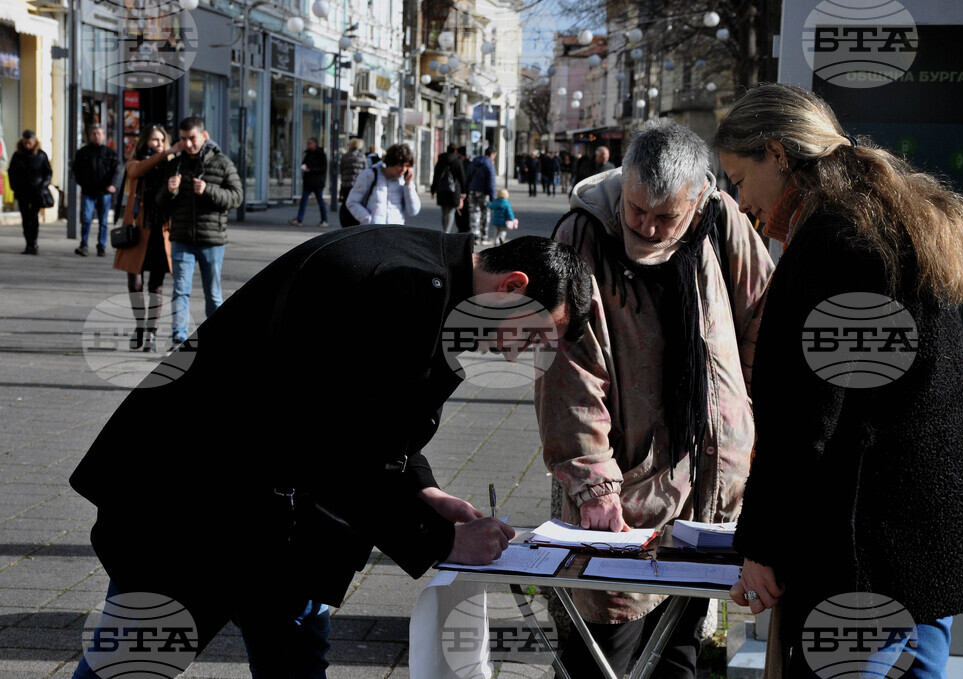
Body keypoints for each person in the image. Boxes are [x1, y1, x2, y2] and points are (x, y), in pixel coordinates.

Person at [68, 226, 593, 679]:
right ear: (512, 286)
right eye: (533, 334)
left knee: (293, 660)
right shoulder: (406, 288)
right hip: (193, 500)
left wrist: (423, 489)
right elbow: (338, 449)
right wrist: (438, 540)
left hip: (273, 512)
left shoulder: (442, 284)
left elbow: (379, 427)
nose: (525, 351)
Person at [713, 82, 963, 678]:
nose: (739, 204)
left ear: (779, 153)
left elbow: (804, 420)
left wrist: (761, 548)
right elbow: (941, 391)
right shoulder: (890, 220)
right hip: (931, 541)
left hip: (872, 553)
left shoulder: (834, 242)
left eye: (739, 180)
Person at [535, 118, 774, 678]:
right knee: (605, 653)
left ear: (699, 198)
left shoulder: (723, 223)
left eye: (664, 217)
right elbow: (567, 372)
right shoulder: (583, 236)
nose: (643, 225)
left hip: (714, 492)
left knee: (679, 656)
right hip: (625, 499)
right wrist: (592, 482)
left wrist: (760, 433)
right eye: (636, 209)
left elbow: (767, 322)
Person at [157, 116, 243, 352]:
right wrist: (169, 191)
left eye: (192, 138)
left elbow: (236, 196)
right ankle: (178, 338)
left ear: (204, 136)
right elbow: (161, 203)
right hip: (182, 238)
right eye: (183, 139)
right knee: (180, 290)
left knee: (213, 293)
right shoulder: (175, 164)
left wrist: (209, 191)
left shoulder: (222, 163)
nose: (187, 144)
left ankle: (217, 336)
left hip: (211, 239)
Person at [114, 124, 184, 352]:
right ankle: (139, 326)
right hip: (138, 230)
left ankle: (151, 333)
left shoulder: (172, 164)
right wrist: (165, 153)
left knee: (156, 286)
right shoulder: (136, 163)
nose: (159, 145)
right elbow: (136, 171)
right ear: (145, 142)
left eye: (162, 141)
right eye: (155, 140)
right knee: (135, 283)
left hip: (161, 231)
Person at [72, 124, 122, 257]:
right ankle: (84, 244)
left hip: (104, 191)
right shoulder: (83, 153)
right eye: (94, 134)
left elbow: (117, 170)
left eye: (99, 134)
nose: (96, 136)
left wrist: (113, 185)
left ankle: (102, 246)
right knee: (87, 218)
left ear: (104, 136)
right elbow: (76, 170)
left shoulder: (110, 153)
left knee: (103, 221)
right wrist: (82, 183)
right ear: (90, 136)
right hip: (88, 190)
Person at [345, 143, 420, 225]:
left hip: (396, 233)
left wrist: (408, 185)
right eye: (400, 165)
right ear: (391, 162)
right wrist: (369, 221)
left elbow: (413, 211)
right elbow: (352, 202)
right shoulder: (369, 175)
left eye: (407, 166)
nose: (403, 169)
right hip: (373, 232)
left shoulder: (403, 181)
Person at [7, 129, 52, 255]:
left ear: (34, 141)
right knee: (25, 218)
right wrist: (14, 187)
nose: (27, 145)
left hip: (37, 192)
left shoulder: (41, 155)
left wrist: (43, 186)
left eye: (30, 142)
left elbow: (48, 172)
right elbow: (12, 172)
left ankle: (34, 243)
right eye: (25, 142)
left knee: (34, 217)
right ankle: (28, 244)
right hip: (22, 192)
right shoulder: (17, 155)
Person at [289, 137, 329, 227]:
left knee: (320, 201)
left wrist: (310, 170)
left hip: (317, 182)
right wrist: (304, 168)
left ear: (315, 144)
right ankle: (299, 219)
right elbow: (304, 163)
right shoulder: (308, 153)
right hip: (308, 181)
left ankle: (324, 220)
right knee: (303, 201)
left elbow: (323, 168)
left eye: (310, 143)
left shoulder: (321, 154)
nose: (308, 145)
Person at [430, 143, 467, 233]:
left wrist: (433, 190)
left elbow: (436, 176)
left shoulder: (441, 160)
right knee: (451, 212)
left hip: (441, 189)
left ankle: (444, 230)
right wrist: (463, 191)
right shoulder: (458, 161)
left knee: (444, 212)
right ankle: (447, 231)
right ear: (455, 151)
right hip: (454, 191)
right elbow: (462, 177)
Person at [466, 145, 497, 243]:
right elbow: (491, 182)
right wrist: (493, 197)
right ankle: (484, 236)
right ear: (492, 154)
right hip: (484, 192)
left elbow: (468, 176)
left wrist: (466, 190)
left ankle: (474, 235)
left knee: (474, 212)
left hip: (472, 190)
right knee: (485, 213)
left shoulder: (475, 161)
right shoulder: (489, 164)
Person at [338, 137, 367, 206]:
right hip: (358, 184)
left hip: (346, 184)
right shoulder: (362, 156)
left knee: (345, 204)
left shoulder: (345, 156)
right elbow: (365, 171)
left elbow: (341, 171)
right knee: (356, 204)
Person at [455, 146, 472, 234]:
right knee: (465, 210)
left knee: (462, 211)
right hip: (467, 191)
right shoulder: (470, 164)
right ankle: (465, 229)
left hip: (463, 191)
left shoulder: (462, 164)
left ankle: (463, 229)